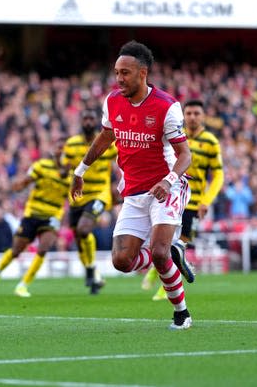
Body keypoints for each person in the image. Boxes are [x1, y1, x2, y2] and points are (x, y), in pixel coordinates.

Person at [71, 40, 195, 330]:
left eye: (125, 73)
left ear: (143, 73)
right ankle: (171, 254)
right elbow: (105, 137)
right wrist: (81, 169)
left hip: (167, 187)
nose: (119, 79)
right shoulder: (112, 101)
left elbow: (185, 155)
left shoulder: (167, 106)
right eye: (116, 73)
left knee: (160, 253)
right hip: (134, 191)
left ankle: (181, 313)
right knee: (122, 261)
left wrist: (169, 180)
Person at [142, 99, 224, 300]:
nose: (193, 117)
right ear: (183, 116)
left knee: (182, 242)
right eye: (189, 113)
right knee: (167, 241)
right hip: (173, 196)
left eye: (197, 113)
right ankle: (159, 272)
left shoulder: (211, 142)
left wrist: (207, 199)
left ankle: (164, 284)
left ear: (203, 116)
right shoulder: (175, 137)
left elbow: (218, 175)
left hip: (195, 202)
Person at [0, 137, 69, 297]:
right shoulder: (41, 166)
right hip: (33, 212)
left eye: (64, 149)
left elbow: (76, 194)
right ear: (53, 150)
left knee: (43, 248)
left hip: (53, 215)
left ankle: (23, 285)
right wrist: (18, 185)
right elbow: (25, 182)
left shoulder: (73, 173)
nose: (61, 151)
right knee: (16, 250)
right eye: (58, 148)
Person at [63, 109, 118, 295]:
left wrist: (121, 186)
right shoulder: (71, 144)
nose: (88, 122)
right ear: (81, 121)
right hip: (78, 197)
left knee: (84, 229)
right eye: (85, 118)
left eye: (91, 119)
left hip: (99, 195)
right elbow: (64, 169)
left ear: (97, 121)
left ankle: (89, 271)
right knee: (79, 237)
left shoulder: (109, 143)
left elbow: (121, 163)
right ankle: (94, 274)